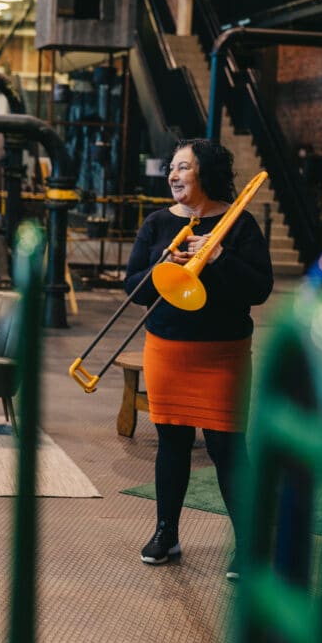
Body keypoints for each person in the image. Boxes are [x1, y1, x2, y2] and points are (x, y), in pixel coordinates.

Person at [124, 139, 273, 580]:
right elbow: (133, 288)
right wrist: (162, 264)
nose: (173, 175)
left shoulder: (239, 225)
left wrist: (220, 256)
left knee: (228, 449)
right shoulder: (157, 224)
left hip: (223, 355)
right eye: (172, 167)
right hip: (167, 350)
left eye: (183, 167)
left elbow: (260, 289)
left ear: (205, 172)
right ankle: (165, 533)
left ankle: (249, 544)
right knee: (171, 444)